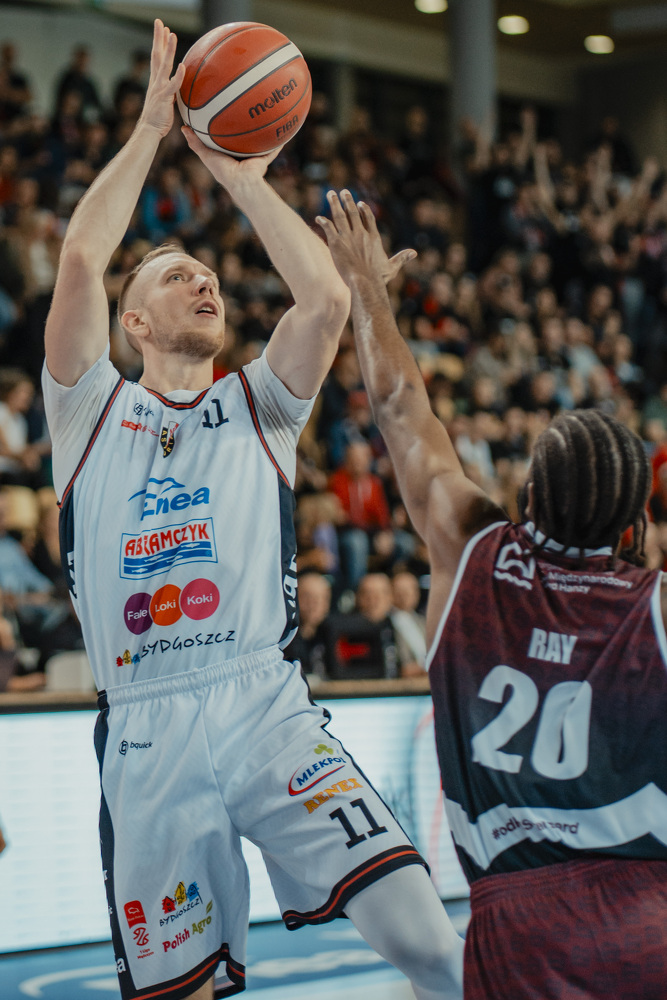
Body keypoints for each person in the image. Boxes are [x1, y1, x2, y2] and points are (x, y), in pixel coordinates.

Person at [43, 22, 463, 1000]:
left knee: (430, 942)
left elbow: (322, 302)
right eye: (174, 275)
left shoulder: (259, 405)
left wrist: (237, 172)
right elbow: (79, 261)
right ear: (132, 322)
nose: (204, 279)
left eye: (208, 275)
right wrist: (152, 132)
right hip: (145, 731)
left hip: (264, 709)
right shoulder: (87, 412)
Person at [318, 189, 667, 999]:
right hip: (644, 917)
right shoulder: (653, 607)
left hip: (513, 927)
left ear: (527, 499)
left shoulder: (472, 551)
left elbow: (401, 408)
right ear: (633, 526)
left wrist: (366, 289)